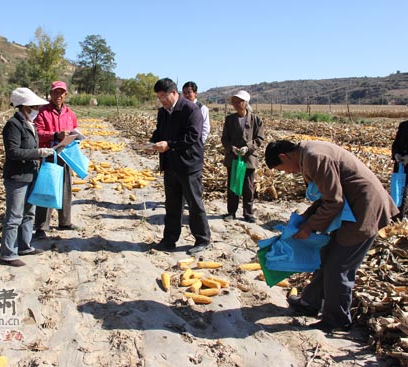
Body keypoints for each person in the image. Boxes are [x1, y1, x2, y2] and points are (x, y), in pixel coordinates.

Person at [265, 140, 399, 331]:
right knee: (326, 256)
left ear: (284, 156)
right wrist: (305, 218)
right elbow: (326, 196)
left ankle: (338, 320)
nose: (287, 173)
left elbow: (333, 201)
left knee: (339, 266)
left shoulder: (314, 157)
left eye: (283, 169)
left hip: (363, 210)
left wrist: (309, 227)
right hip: (351, 209)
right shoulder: (308, 154)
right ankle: (310, 303)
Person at [149, 78, 211, 255]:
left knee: (194, 204)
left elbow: (192, 137)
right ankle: (169, 239)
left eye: (164, 96)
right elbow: (159, 131)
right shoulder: (163, 112)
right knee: (172, 205)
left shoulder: (191, 109)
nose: (161, 100)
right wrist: (151, 143)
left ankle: (202, 239)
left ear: (174, 93)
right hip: (170, 165)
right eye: (159, 97)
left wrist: (169, 145)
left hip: (189, 165)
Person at [1, 88, 55, 267]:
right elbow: (13, 151)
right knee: (14, 215)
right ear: (24, 106)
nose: (38, 108)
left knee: (29, 213)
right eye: (34, 106)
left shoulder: (29, 123)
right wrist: (37, 152)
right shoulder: (13, 125)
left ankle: (25, 246)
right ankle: (8, 253)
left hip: (31, 173)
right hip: (17, 176)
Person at [33, 81, 79, 238]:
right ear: (50, 94)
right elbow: (37, 133)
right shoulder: (42, 112)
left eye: (61, 93)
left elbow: (75, 130)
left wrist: (75, 139)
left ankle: (65, 222)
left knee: (66, 188)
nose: (58, 96)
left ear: (65, 95)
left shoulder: (70, 114)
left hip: (65, 155)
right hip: (49, 155)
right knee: (47, 188)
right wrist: (54, 135)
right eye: (55, 92)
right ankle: (41, 226)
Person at [220, 90, 265, 223]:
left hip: (249, 158)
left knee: (248, 186)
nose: (235, 104)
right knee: (233, 185)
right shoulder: (230, 120)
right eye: (233, 102)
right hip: (233, 157)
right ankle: (231, 212)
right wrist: (231, 148)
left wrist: (248, 147)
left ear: (245, 103)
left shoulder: (256, 119)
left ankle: (248, 213)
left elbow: (260, 138)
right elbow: (224, 139)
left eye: (238, 101)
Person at [391, 119, 408, 219]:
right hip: (401, 165)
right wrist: (396, 154)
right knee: (400, 192)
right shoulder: (403, 125)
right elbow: (396, 143)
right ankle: (397, 218)